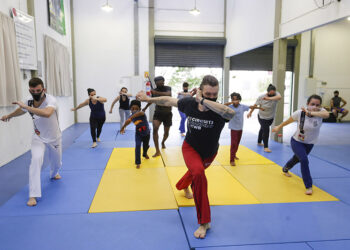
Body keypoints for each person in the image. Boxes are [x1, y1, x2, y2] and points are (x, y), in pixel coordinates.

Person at [136, 75, 235, 239]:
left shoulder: (218, 109)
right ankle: (204, 222)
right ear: (200, 90)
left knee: (194, 173)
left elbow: (229, 113)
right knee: (198, 173)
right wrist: (148, 98)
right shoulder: (189, 104)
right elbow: (168, 101)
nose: (212, 97)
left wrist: (203, 101)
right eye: (208, 93)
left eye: (214, 94)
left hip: (210, 152)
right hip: (190, 147)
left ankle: (183, 185)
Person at [1, 77, 62, 207]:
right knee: (35, 160)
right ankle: (33, 194)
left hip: (54, 137)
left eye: (38, 90)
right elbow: (21, 110)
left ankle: (54, 172)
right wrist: (9, 116)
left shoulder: (51, 100)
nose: (35, 92)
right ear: (30, 90)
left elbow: (47, 113)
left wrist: (26, 107)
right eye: (33, 90)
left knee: (56, 162)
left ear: (43, 89)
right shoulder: (28, 101)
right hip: (38, 136)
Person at [272, 94, 329, 195]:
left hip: (310, 143)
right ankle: (308, 186)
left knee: (297, 158)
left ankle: (285, 168)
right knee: (303, 159)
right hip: (297, 141)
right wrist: (278, 127)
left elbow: (327, 115)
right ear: (307, 104)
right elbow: (288, 121)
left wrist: (311, 112)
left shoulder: (321, 112)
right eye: (312, 104)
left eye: (317, 105)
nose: (315, 106)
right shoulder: (299, 113)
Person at [142, 76, 172, 157]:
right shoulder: (154, 91)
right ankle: (157, 151)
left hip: (168, 114)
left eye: (163, 81)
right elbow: (152, 100)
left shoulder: (168, 88)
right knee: (155, 129)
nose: (162, 82)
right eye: (160, 81)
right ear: (156, 83)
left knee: (166, 133)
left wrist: (156, 93)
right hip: (158, 113)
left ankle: (162, 142)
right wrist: (145, 108)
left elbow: (168, 94)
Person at [248, 84, 281, 153]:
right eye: (270, 93)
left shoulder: (276, 94)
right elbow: (255, 105)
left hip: (271, 117)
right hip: (262, 117)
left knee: (262, 128)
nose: (272, 94)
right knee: (266, 130)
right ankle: (266, 147)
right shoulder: (261, 97)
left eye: (273, 93)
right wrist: (250, 112)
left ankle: (259, 141)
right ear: (267, 92)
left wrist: (268, 98)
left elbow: (279, 97)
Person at [120, 100, 150, 169]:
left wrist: (131, 117)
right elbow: (128, 121)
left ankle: (145, 153)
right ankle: (138, 162)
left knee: (146, 146)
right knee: (137, 146)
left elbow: (139, 114)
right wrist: (123, 127)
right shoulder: (131, 116)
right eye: (132, 108)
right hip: (138, 133)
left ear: (139, 109)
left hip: (146, 133)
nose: (134, 110)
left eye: (136, 109)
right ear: (130, 109)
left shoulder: (142, 113)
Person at [224, 92, 252, 166]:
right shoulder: (230, 106)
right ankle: (231, 160)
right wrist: (231, 102)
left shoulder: (242, 106)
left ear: (239, 100)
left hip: (240, 128)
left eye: (236, 99)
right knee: (233, 144)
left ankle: (234, 154)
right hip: (233, 128)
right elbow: (222, 106)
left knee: (237, 143)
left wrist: (258, 108)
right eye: (233, 99)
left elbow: (250, 107)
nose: (235, 101)